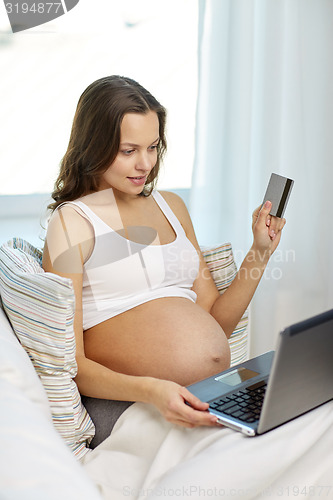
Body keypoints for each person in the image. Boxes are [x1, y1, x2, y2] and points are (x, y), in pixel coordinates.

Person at [42, 75, 286, 447]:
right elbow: (71, 364)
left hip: (202, 394)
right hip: (131, 402)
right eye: (128, 150)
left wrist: (260, 252)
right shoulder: (72, 222)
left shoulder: (171, 207)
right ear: (94, 145)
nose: (144, 164)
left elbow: (215, 324)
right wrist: (155, 390)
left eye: (153, 147)